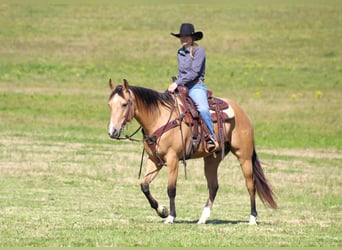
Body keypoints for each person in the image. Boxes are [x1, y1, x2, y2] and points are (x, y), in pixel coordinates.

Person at [168, 23, 218, 153]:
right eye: (181, 36)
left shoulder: (199, 52)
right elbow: (182, 73)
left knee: (203, 109)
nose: (183, 39)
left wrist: (177, 82)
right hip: (182, 86)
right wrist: (178, 84)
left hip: (196, 86)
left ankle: (211, 137)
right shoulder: (180, 52)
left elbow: (194, 73)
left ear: (192, 37)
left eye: (186, 36)